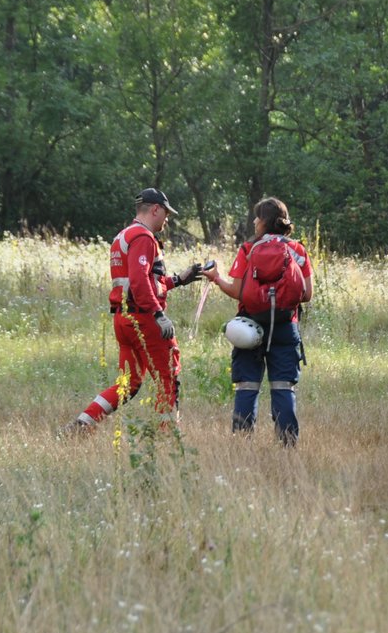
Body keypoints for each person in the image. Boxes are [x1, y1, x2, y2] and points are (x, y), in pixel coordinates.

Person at [66, 188, 205, 433]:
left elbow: (145, 283)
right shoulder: (143, 237)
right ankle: (167, 439)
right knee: (168, 379)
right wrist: (159, 315)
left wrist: (180, 279)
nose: (167, 219)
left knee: (128, 384)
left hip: (124, 319)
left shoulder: (124, 236)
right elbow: (140, 282)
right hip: (144, 319)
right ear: (155, 209)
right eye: (166, 213)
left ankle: (83, 424)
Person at [202, 196, 313, 444]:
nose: (254, 221)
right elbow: (306, 294)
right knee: (284, 387)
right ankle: (287, 446)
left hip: (248, 328)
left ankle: (242, 445)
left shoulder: (247, 249)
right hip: (285, 327)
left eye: (257, 216)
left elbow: (238, 292)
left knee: (247, 387)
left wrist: (216, 278)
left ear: (264, 222)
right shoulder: (298, 250)